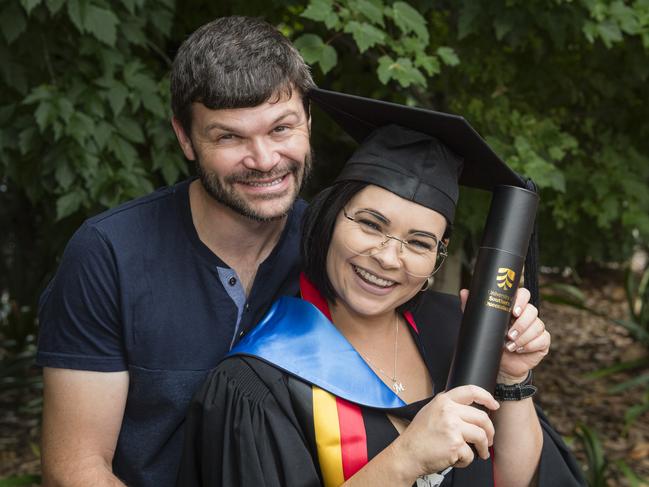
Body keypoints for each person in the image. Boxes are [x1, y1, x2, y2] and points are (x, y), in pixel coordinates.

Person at [176, 90, 585, 486]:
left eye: (420, 243)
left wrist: (512, 379)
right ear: (330, 219)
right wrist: (404, 459)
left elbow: (515, 481)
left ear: (437, 258)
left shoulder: (459, 334)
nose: (390, 258)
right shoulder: (259, 381)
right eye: (371, 224)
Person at [36, 16, 314, 487]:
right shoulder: (110, 254)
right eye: (230, 136)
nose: (264, 159)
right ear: (185, 138)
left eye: (281, 129)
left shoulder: (335, 250)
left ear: (308, 121)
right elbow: (76, 469)